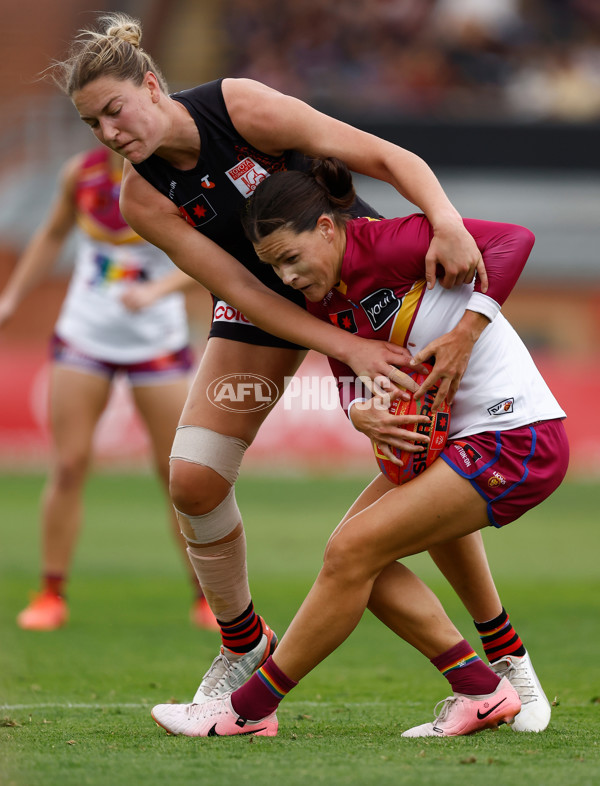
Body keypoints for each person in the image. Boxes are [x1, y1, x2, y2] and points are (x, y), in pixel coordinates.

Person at [48, 13, 545, 725]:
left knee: (418, 465)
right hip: (269, 313)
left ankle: (506, 658)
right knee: (192, 478)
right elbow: (246, 291)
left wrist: (444, 219)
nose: (109, 133)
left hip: (357, 284)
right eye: (92, 124)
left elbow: (383, 155)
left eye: (114, 110)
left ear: (152, 86)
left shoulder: (239, 106)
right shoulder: (142, 197)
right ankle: (243, 643)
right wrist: (345, 351)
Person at [149, 158, 568, 738]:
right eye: (275, 269)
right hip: (463, 438)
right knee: (353, 561)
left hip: (517, 440)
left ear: (327, 228)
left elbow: (512, 240)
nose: (289, 278)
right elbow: (355, 376)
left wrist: (464, 335)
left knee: (351, 553)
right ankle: (481, 689)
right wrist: (360, 413)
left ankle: (247, 708)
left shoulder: (387, 241)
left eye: (291, 259)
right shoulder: (324, 296)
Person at [0, 145, 218, 632]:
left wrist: (157, 292)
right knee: (69, 465)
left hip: (157, 343)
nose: (110, 129)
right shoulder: (80, 173)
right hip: (84, 338)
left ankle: (207, 598)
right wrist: (11, 298)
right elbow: (53, 235)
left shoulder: (179, 177)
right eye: (96, 119)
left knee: (178, 477)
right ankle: (51, 593)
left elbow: (213, 256)